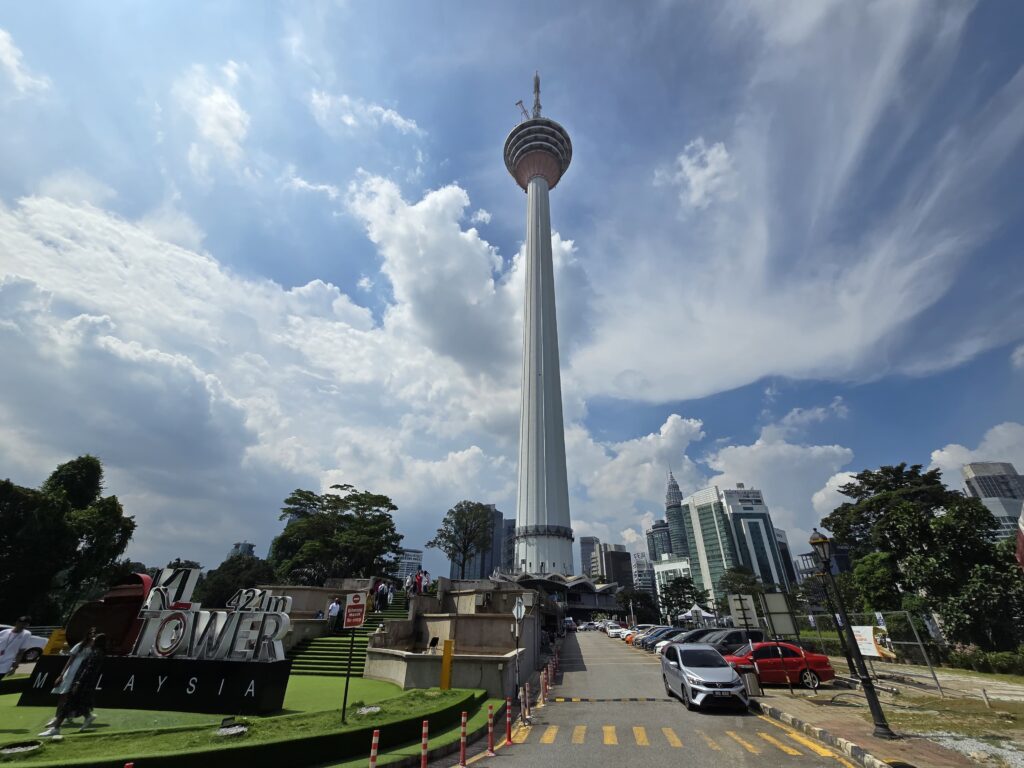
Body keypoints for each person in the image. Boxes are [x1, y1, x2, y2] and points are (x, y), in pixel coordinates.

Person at [39, 633, 107, 737]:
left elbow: (87, 670)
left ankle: (56, 728)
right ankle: (87, 716)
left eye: (95, 639)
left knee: (69, 702)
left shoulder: (95, 653)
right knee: (75, 701)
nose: (93, 640)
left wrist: (78, 682)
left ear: (98, 642)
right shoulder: (96, 652)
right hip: (81, 681)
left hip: (82, 682)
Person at [46, 628, 96, 728]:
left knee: (75, 696)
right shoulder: (80, 645)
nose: (92, 636)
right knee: (63, 695)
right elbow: (70, 660)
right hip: (71, 672)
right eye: (91, 633)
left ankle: (80, 715)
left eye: (94, 634)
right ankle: (57, 717)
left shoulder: (96, 648)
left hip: (83, 673)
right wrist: (61, 675)